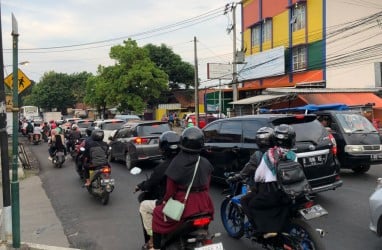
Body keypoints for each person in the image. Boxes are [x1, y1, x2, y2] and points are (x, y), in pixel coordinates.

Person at [151, 127, 214, 250]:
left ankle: (157, 247)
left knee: (157, 213)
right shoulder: (205, 162)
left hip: (185, 207)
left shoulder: (177, 162)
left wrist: (163, 202)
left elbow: (170, 190)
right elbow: (207, 185)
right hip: (205, 205)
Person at [246, 124, 297, 239]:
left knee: (252, 204)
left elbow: (258, 177)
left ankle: (265, 230)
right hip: (291, 192)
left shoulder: (268, 155)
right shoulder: (293, 155)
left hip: (273, 192)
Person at [136, 131, 180, 250]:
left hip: (176, 204)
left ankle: (152, 240)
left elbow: (153, 183)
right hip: (198, 203)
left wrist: (141, 186)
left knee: (144, 206)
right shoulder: (196, 163)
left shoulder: (164, 168)